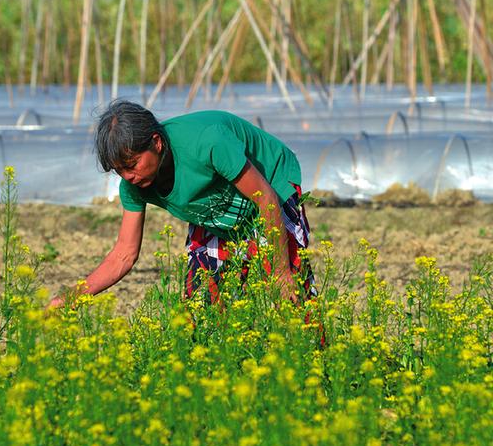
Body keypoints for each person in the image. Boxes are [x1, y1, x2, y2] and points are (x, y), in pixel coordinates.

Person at [49, 99, 315, 307]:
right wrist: (71, 298)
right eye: (119, 171)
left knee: (290, 294)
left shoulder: (207, 142)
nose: (128, 176)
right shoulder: (133, 186)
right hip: (215, 212)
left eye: (132, 165)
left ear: (156, 143)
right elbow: (124, 254)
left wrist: (281, 273)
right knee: (202, 306)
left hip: (270, 188)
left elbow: (265, 199)